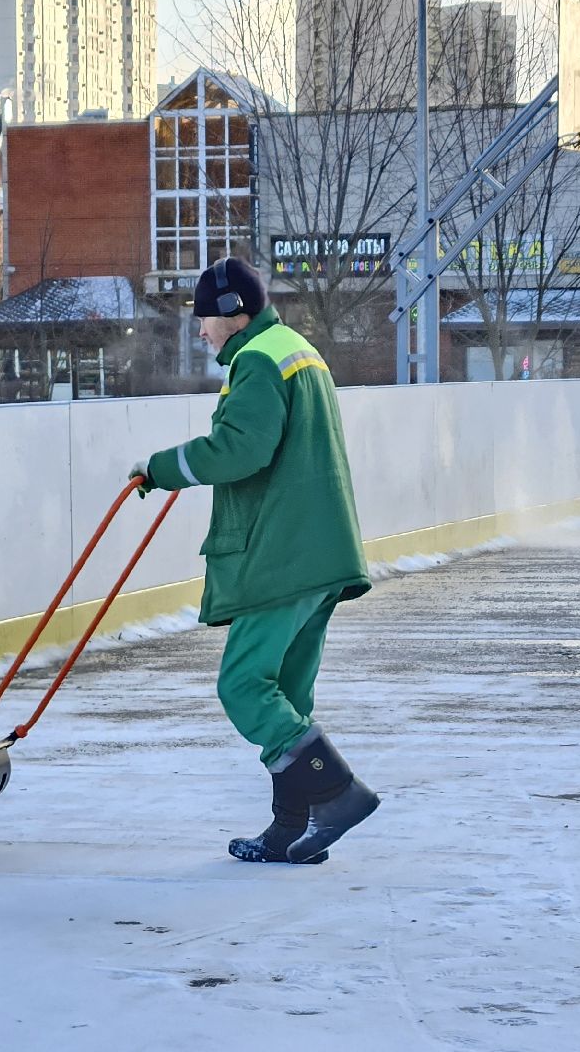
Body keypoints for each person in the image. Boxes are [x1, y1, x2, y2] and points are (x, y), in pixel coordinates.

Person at [130, 257, 377, 864]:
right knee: (288, 695)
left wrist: (161, 470)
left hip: (281, 553)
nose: (202, 331)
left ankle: (338, 794)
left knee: (243, 685)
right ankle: (292, 827)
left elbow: (242, 449)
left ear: (235, 313)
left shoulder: (258, 359)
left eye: (206, 319)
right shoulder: (297, 350)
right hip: (319, 551)